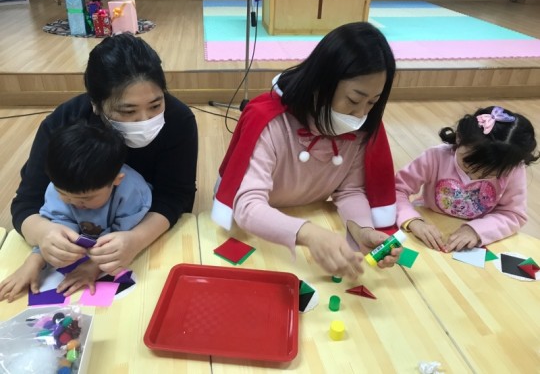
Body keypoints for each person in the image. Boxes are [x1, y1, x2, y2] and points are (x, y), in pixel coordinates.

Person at [211, 22, 401, 280]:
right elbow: (247, 205)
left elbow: (350, 190)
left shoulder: (359, 130)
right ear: (321, 83)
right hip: (257, 231)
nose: (360, 113)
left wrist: (362, 230)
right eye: (354, 100)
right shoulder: (271, 122)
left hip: (309, 218)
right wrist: (310, 234)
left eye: (372, 102)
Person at [11, 33, 198, 275]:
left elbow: (175, 196)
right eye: (127, 111)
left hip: (146, 228)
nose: (144, 120)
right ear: (96, 105)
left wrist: (135, 240)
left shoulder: (178, 120)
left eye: (155, 105)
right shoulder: (65, 122)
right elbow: (28, 201)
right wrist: (43, 234)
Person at [1, 123, 152, 302]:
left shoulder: (133, 194)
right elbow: (57, 228)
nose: (73, 202)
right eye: (63, 194)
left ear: (116, 180)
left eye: (86, 198)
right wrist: (35, 259)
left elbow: (123, 242)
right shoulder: (60, 186)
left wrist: (93, 266)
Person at [395, 106, 539, 252]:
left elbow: (513, 214)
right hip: (428, 219)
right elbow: (397, 190)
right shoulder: (435, 157)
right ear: (459, 138)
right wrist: (413, 221)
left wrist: (476, 230)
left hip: (478, 234)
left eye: (489, 174)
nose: (475, 176)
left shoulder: (512, 169)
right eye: (468, 164)